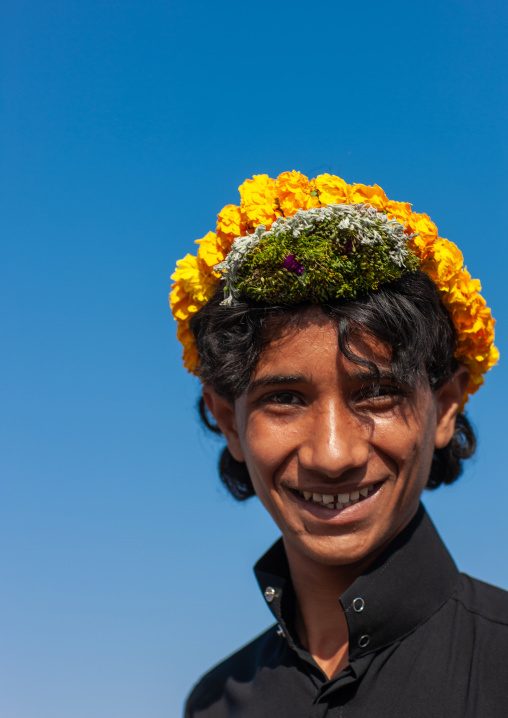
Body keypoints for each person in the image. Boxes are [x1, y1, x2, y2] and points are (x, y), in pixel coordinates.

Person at [170, 171, 507, 717]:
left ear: (445, 408)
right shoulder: (214, 704)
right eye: (284, 398)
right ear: (228, 420)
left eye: (375, 393)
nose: (332, 455)